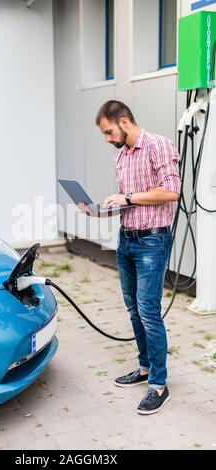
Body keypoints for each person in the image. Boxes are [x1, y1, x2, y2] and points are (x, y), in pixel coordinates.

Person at [93, 100, 181, 415]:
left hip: (152, 242)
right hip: (126, 240)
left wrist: (128, 197)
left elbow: (172, 191)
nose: (106, 139)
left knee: (148, 312)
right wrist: (104, 210)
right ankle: (144, 368)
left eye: (108, 132)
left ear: (125, 121)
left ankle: (159, 384)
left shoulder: (159, 146)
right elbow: (131, 202)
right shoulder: (120, 157)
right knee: (133, 309)